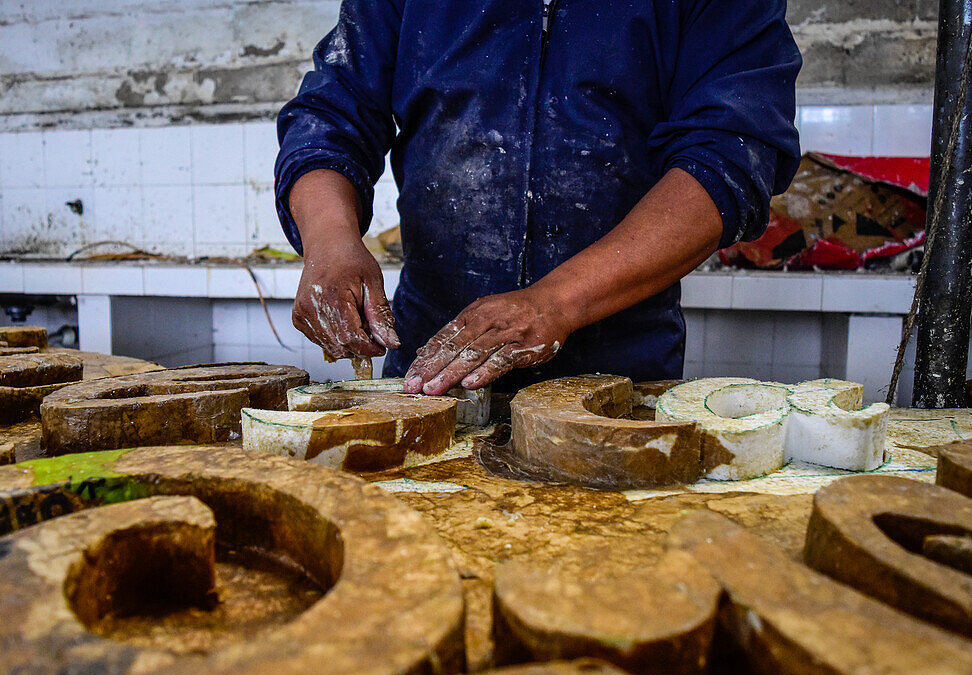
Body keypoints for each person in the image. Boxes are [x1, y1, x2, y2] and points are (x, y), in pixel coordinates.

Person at [276, 0, 800, 396]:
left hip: (618, 372)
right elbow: (330, 118)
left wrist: (558, 301)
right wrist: (329, 242)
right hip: (434, 366)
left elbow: (732, 151)